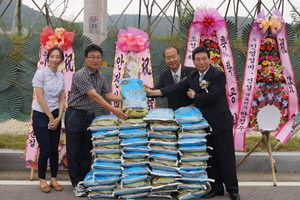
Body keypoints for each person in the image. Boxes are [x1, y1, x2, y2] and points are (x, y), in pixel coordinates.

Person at [144, 46, 240, 200]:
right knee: (210, 157)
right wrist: (151, 92)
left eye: (204, 59)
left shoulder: (218, 75)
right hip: (201, 125)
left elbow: (213, 96)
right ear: (193, 61)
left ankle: (233, 189)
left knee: (226, 157)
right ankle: (216, 189)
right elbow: (175, 88)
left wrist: (195, 95)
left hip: (220, 122)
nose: (201, 62)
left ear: (209, 59)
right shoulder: (193, 76)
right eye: (198, 59)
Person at [65, 44, 128, 197]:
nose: (95, 60)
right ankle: (76, 183)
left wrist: (131, 97)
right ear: (85, 59)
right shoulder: (80, 75)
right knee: (74, 151)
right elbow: (95, 96)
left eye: (98, 57)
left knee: (87, 150)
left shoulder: (100, 76)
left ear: (101, 59)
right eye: (92, 57)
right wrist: (115, 110)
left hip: (90, 116)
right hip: (75, 115)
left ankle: (86, 180)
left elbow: (108, 95)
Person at [32, 47, 65, 193]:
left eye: (58, 57)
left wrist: (58, 117)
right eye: (52, 56)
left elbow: (62, 98)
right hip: (41, 114)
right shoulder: (40, 74)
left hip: (55, 114)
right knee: (44, 149)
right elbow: (39, 97)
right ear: (48, 58)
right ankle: (42, 180)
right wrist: (51, 117)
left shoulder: (61, 76)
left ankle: (53, 179)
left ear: (62, 60)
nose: (55, 59)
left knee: (54, 149)